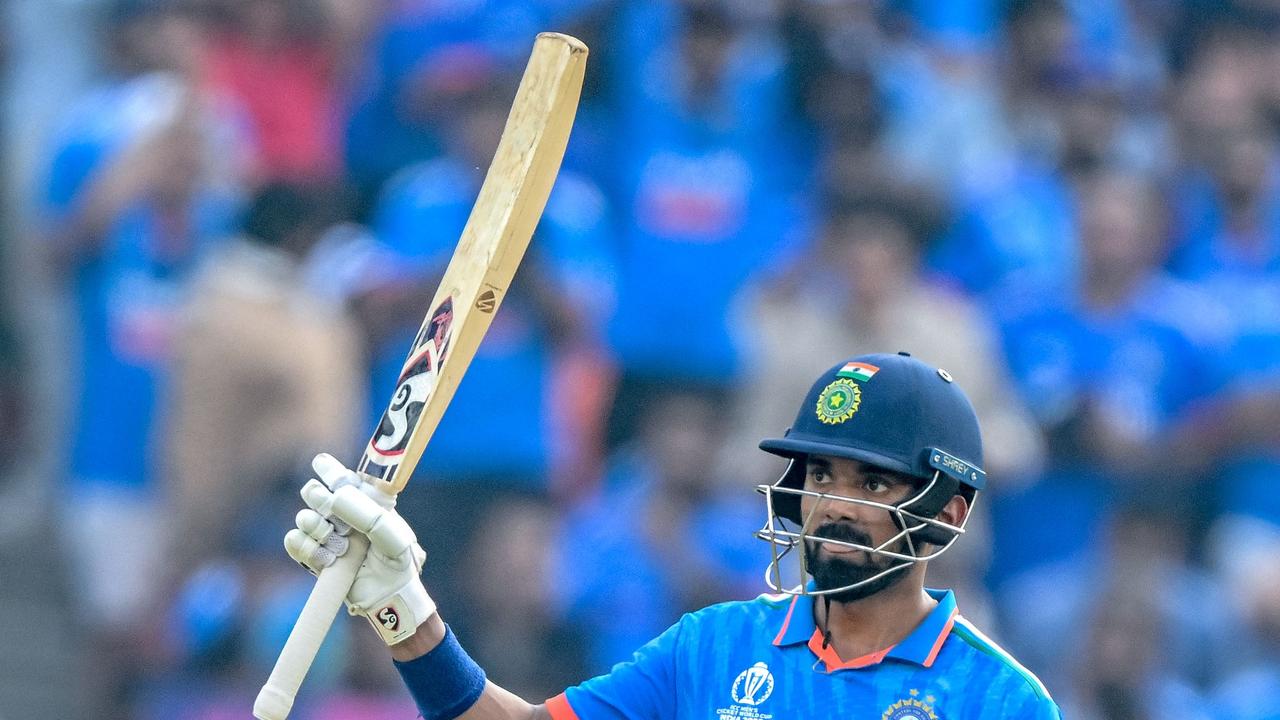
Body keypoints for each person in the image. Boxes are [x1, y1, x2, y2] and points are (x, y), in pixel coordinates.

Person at [285, 352, 1061, 718]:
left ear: (948, 511)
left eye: (873, 482)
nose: (834, 503)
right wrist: (402, 611)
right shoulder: (711, 647)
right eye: (821, 476)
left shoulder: (1001, 701)